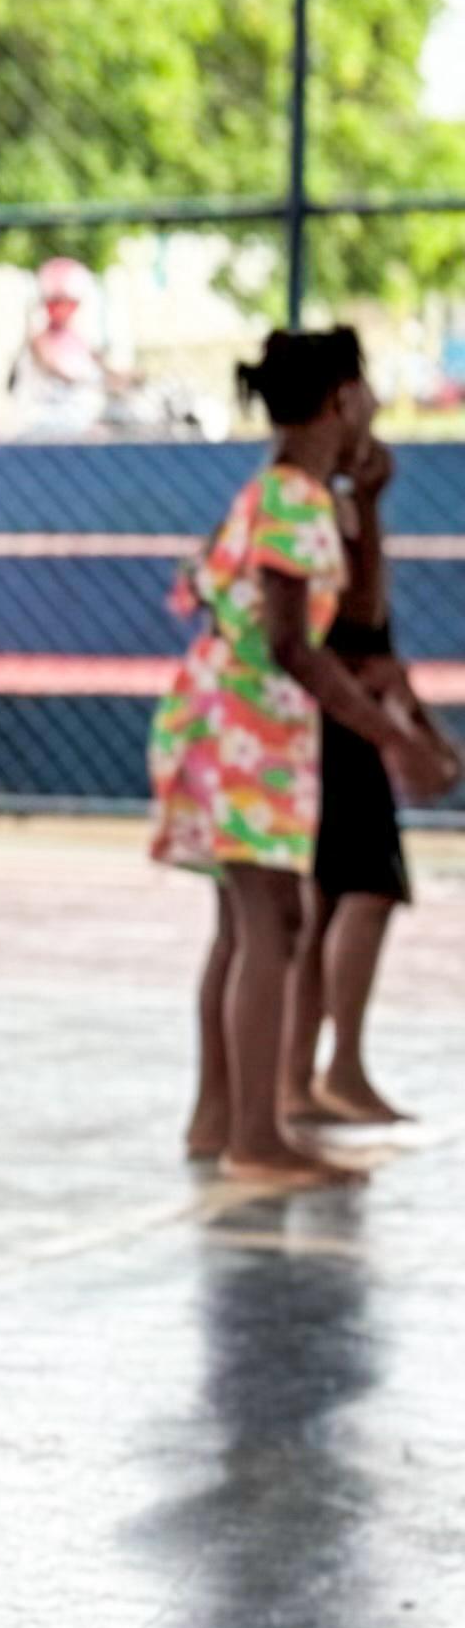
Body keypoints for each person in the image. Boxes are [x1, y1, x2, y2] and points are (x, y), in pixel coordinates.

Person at [154, 329, 454, 1186]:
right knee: (270, 924)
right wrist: (392, 734)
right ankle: (257, 1134)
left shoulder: (282, 492)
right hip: (248, 724)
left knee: (243, 926)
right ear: (342, 400)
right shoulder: (292, 499)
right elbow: (294, 644)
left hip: (230, 719)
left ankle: (219, 1117)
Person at [289, 425, 435, 1128]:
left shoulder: (316, 502)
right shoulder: (302, 505)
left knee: (323, 899)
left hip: (338, 707)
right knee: (361, 889)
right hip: (330, 713)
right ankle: (327, 1069)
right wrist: (395, 730)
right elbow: (355, 619)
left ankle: (304, 1075)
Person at [7, 259, 132, 434]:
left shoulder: (79, 340)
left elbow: (103, 369)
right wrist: (92, 382)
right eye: (53, 302)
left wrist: (123, 379)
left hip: (77, 422)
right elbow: (55, 367)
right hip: (43, 424)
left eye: (67, 303)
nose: (59, 309)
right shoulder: (38, 341)